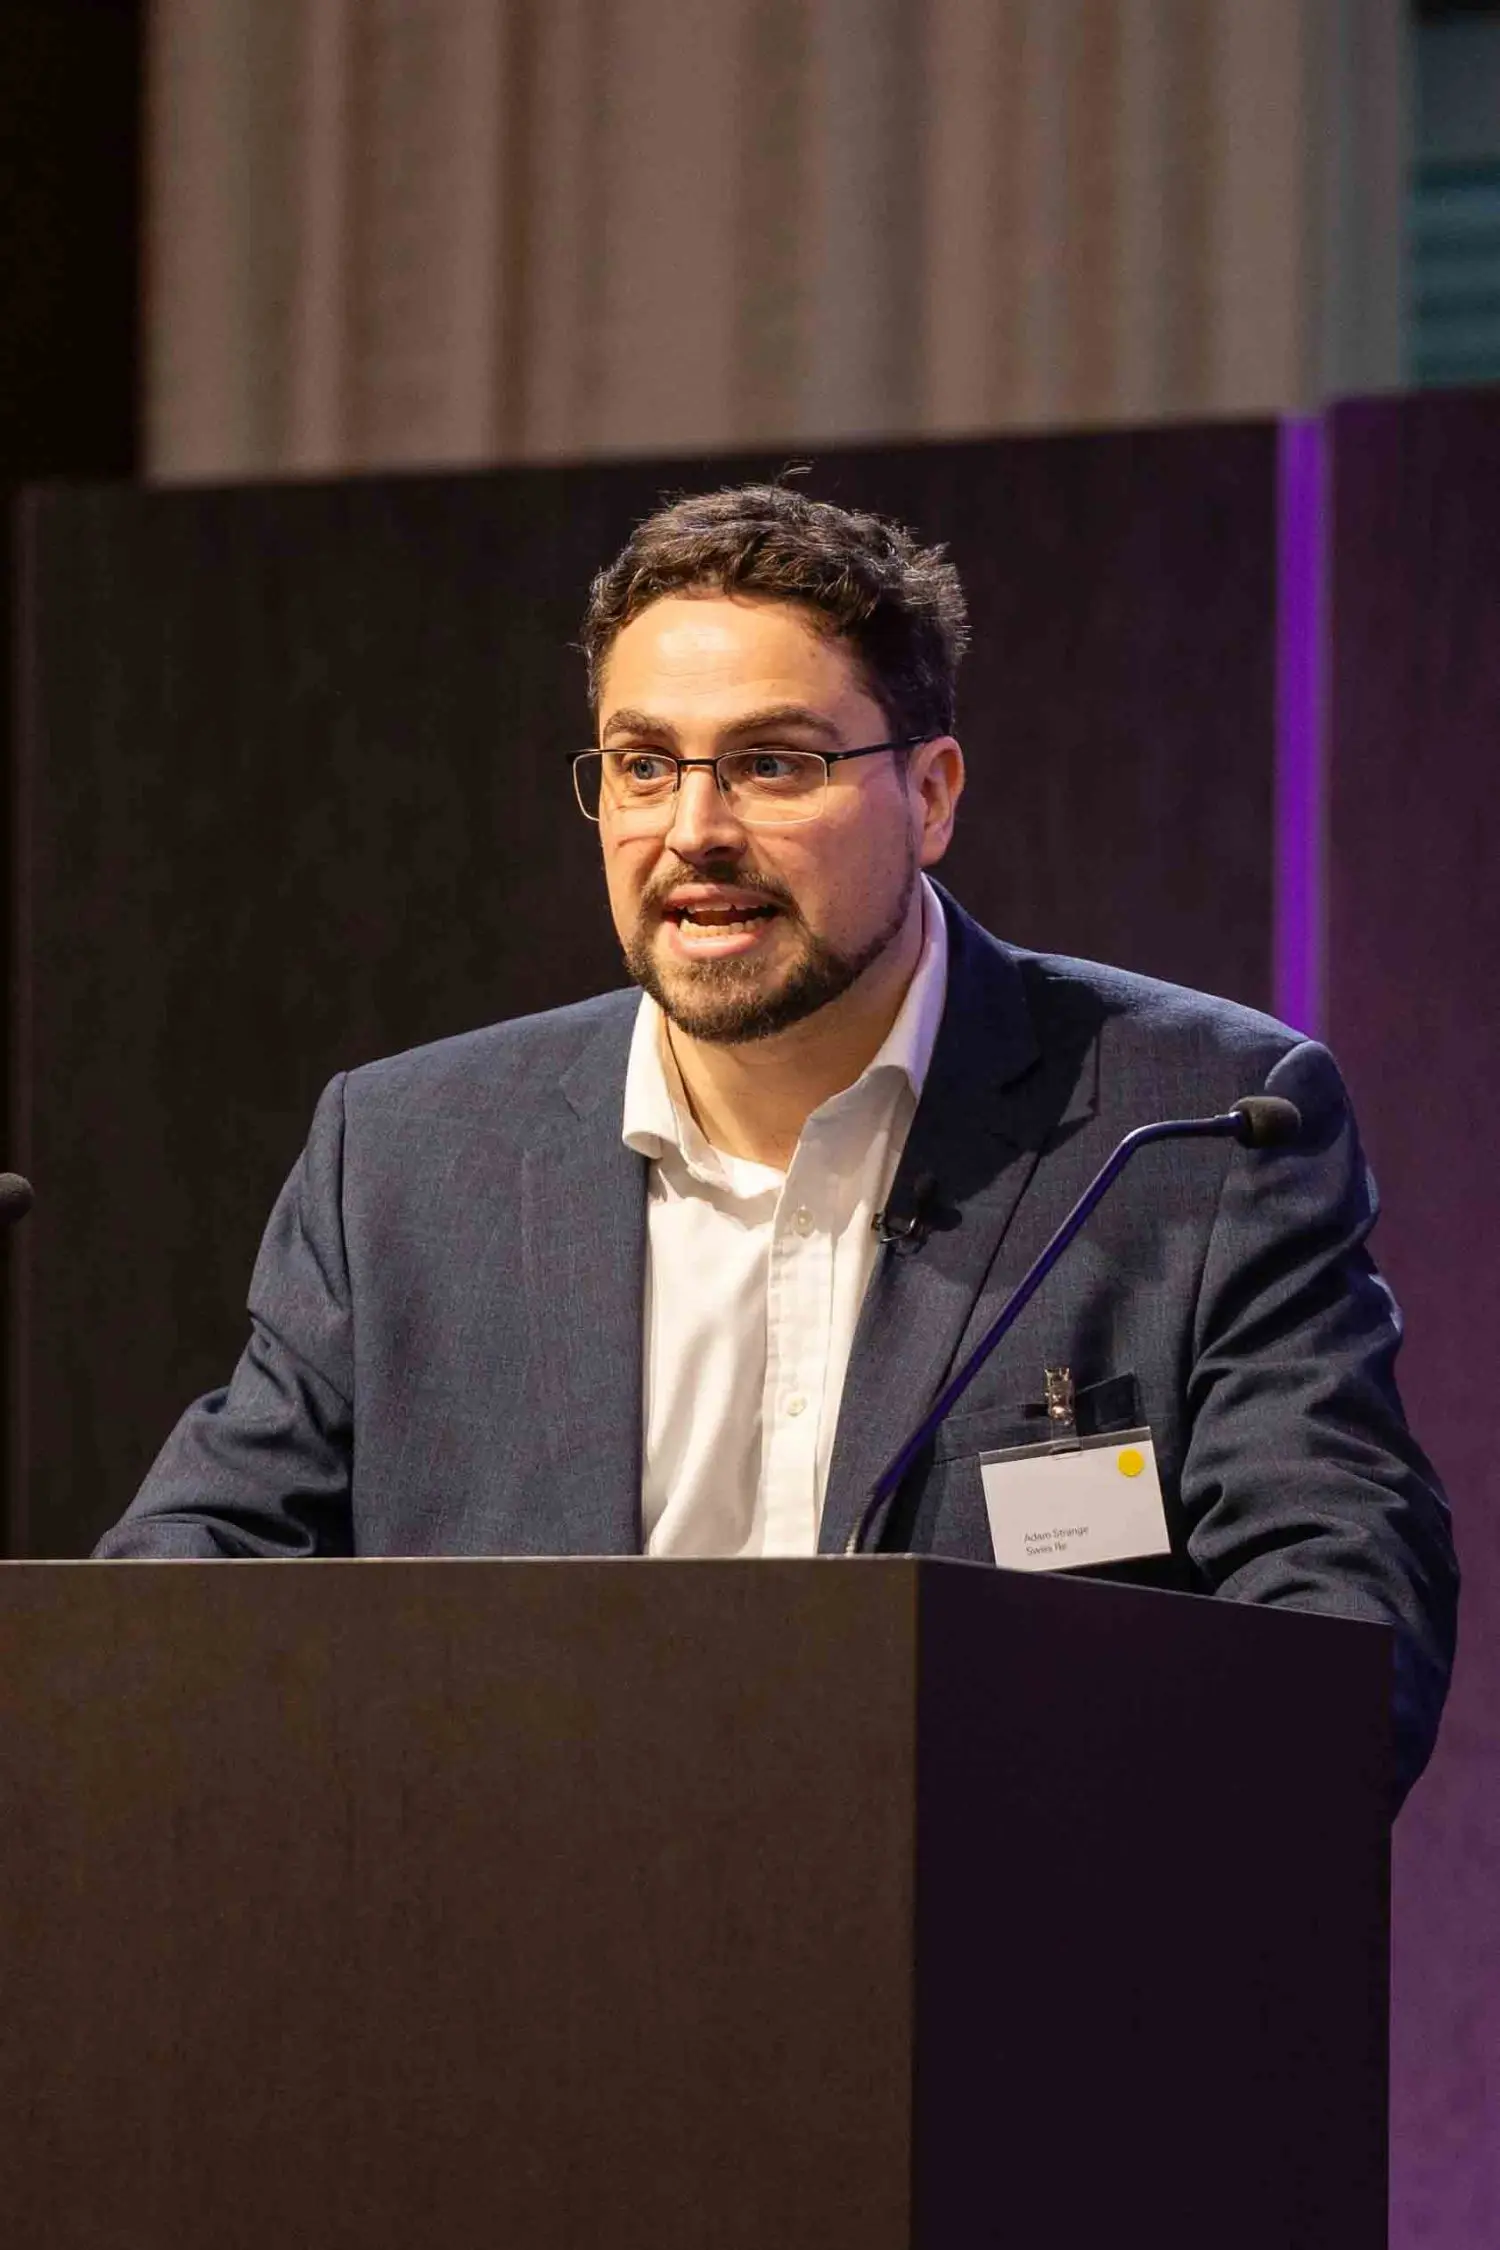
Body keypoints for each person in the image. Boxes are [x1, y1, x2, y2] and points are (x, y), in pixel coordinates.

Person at [96, 482, 1458, 1801]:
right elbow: (177, 1597)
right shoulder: (404, 1156)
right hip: (509, 1933)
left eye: (772, 763)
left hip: (1002, 1933)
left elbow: (1343, 1626)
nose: (694, 831)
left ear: (931, 794)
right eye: (644, 765)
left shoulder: (1195, 1126)